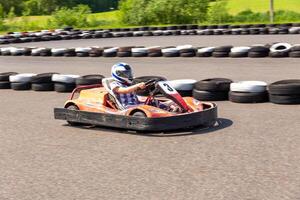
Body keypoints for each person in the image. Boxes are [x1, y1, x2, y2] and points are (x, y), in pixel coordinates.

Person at [110, 62, 180, 112]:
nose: (128, 75)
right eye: (125, 74)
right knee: (146, 107)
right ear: (118, 74)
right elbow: (124, 90)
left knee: (153, 101)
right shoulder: (114, 84)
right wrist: (137, 86)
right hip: (127, 107)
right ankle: (166, 112)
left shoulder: (128, 83)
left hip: (136, 103)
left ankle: (170, 109)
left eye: (128, 73)